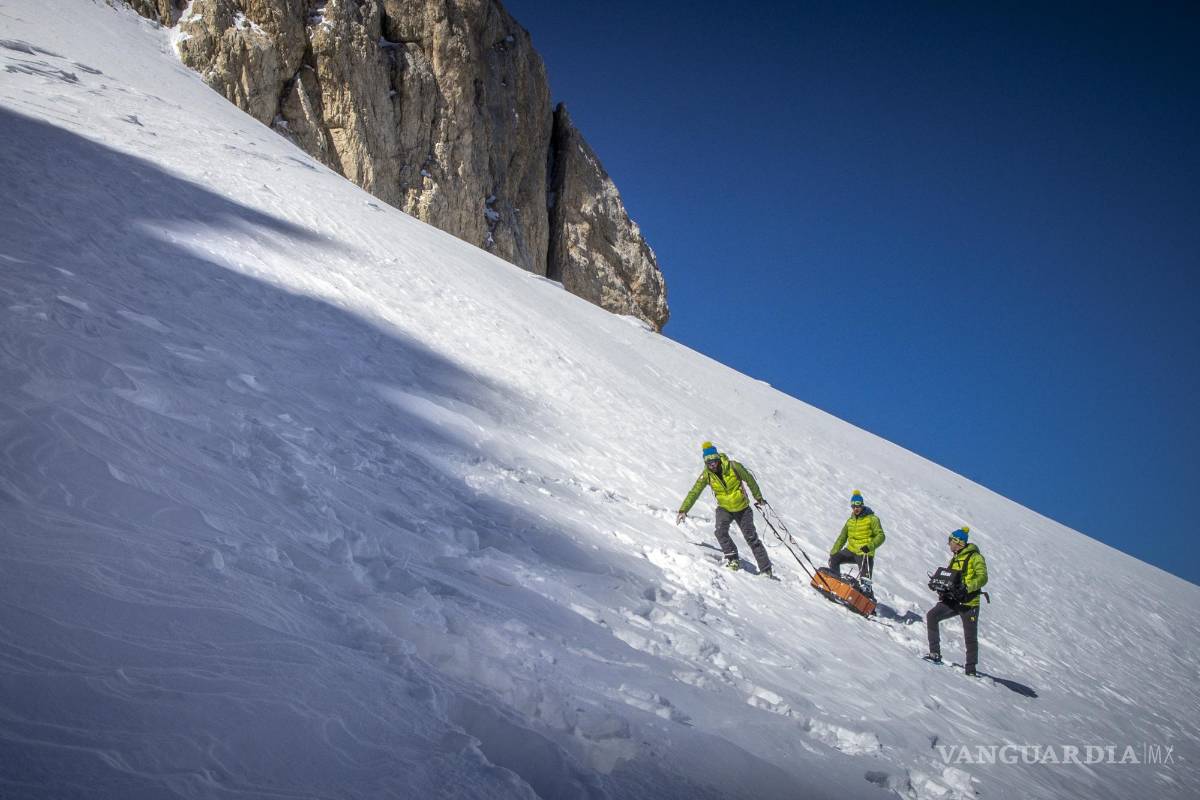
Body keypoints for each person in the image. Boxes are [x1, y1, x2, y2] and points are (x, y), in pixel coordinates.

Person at [676, 441, 773, 577]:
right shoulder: (707, 475)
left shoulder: (733, 466)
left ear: (718, 459)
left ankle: (766, 569)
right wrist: (683, 510)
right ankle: (733, 559)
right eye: (709, 463)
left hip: (743, 508)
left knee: (751, 538)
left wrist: (758, 497)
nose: (712, 465)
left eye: (714, 462)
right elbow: (694, 492)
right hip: (724, 509)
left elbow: (749, 479)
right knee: (720, 532)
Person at [924, 526, 989, 676]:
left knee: (970, 636)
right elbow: (950, 578)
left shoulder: (975, 557)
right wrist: (938, 584)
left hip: (969, 603)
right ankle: (934, 653)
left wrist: (968, 587)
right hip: (953, 600)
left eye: (951, 541)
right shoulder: (955, 558)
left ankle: (971, 669)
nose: (949, 544)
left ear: (959, 542)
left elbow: (983, 577)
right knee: (932, 616)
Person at [827, 490, 886, 587]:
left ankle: (867, 595)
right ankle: (835, 583)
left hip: (864, 552)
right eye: (853, 506)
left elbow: (881, 536)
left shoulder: (872, 519)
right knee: (835, 559)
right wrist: (833, 553)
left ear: (862, 505)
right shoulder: (850, 521)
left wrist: (869, 546)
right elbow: (842, 537)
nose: (855, 509)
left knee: (865, 581)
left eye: (858, 506)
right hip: (850, 550)